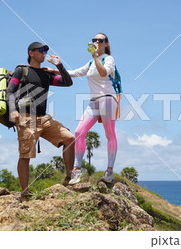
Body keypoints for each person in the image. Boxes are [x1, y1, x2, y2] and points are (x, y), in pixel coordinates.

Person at [6, 42, 75, 200]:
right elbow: (10, 91)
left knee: (69, 138)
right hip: (26, 117)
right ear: (31, 53)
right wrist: (13, 110)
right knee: (25, 155)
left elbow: (68, 82)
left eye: (45, 50)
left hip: (44, 118)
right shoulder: (21, 70)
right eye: (41, 50)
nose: (44, 53)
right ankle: (25, 193)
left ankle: (69, 179)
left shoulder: (46, 74)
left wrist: (60, 66)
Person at [67, 33, 118, 184]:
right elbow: (75, 73)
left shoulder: (108, 59)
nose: (96, 42)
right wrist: (57, 69)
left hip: (108, 98)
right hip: (93, 102)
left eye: (100, 40)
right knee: (78, 132)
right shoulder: (90, 63)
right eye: (94, 40)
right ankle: (76, 169)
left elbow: (103, 72)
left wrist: (96, 56)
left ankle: (109, 171)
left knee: (109, 134)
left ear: (106, 44)